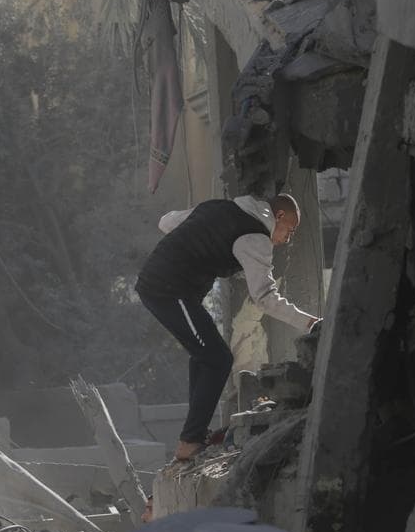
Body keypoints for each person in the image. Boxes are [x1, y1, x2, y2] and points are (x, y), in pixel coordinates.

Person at [136, 193, 320, 461]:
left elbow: (166, 222)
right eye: (289, 231)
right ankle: (189, 441)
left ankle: (194, 434)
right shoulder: (256, 238)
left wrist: (202, 238)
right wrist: (309, 322)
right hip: (169, 290)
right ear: (278, 216)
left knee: (204, 355)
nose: (286, 240)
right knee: (219, 360)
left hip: (161, 285)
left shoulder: (219, 207)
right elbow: (265, 298)